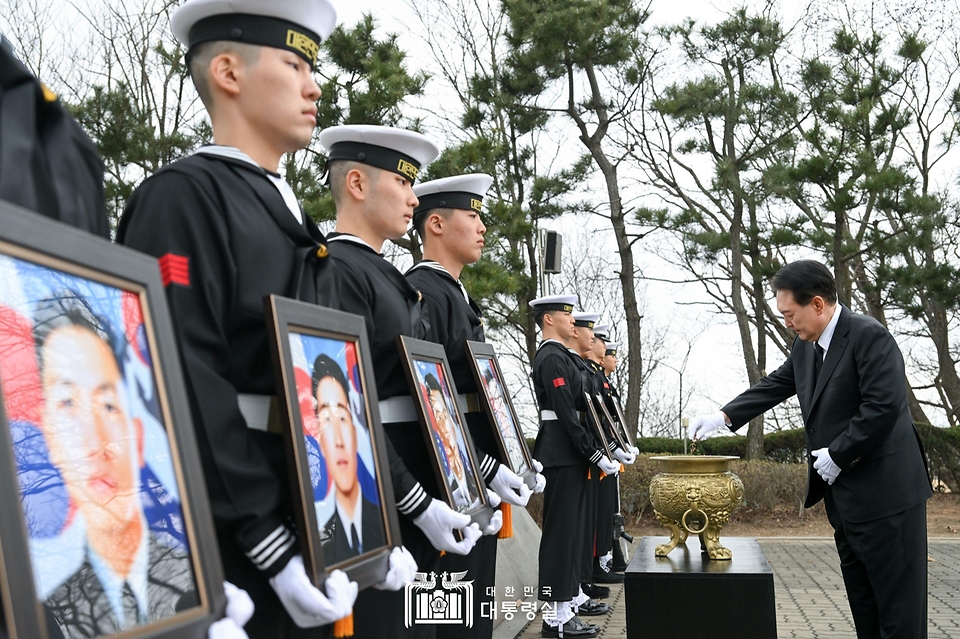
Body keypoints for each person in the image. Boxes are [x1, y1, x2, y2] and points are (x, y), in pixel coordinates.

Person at [116, 1, 361, 635]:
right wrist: (265, 536)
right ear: (228, 71)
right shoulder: (184, 196)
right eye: (293, 63)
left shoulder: (286, 211)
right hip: (236, 525)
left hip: (310, 507)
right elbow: (179, 372)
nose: (315, 86)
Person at [689, 260, 932, 639]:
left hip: (888, 498)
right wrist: (722, 416)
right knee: (865, 606)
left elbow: (883, 407)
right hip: (846, 502)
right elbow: (776, 385)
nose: (786, 321)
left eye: (789, 313)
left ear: (817, 304)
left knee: (899, 613)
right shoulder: (806, 346)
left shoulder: (868, 335)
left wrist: (838, 453)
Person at [318, 124, 486, 638]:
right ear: (357, 185)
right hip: (385, 480)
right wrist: (412, 497)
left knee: (432, 620)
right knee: (398, 623)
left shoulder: (383, 274)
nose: (413, 197)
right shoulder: (340, 270)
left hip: (421, 471)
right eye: (402, 182)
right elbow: (344, 400)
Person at [406, 173, 540, 639]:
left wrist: (508, 461)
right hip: (447, 487)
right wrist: (485, 467)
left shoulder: (455, 294)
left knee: (470, 617)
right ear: (436, 224)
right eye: (473, 215)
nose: (483, 227)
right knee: (444, 620)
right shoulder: (425, 292)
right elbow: (429, 404)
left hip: (472, 486)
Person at [33, 292, 195, 637]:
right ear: (49, 439)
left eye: (108, 405)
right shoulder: (45, 603)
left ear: (136, 433)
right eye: (68, 406)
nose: (96, 442)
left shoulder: (196, 573)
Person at [530, 296, 620, 639]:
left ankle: (565, 612)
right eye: (567, 317)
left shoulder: (561, 356)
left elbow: (586, 412)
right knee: (560, 538)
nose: (574, 323)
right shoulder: (550, 357)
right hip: (560, 453)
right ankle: (554, 620)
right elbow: (566, 414)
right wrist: (594, 453)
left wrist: (601, 449)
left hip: (571, 455)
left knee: (570, 537)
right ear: (549, 319)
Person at [310, 354, 386, 565]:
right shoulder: (318, 536)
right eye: (326, 420)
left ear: (354, 431)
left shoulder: (384, 523)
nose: (338, 440)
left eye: (342, 419)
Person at [580, 323, 634, 587]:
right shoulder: (587, 372)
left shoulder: (597, 375)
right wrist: (608, 449)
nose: (609, 353)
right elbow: (591, 419)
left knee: (605, 511)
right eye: (605, 344)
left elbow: (611, 418)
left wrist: (619, 446)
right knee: (595, 514)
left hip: (605, 449)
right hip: (594, 451)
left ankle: (603, 561)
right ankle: (596, 565)